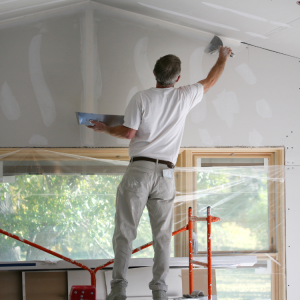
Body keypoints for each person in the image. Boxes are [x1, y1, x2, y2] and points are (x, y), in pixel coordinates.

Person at [88, 46, 232, 300]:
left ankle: (119, 290)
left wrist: (104, 128)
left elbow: (128, 133)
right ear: (177, 79)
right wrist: (222, 57)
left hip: (139, 171)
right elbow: (211, 80)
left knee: (125, 232)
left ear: (154, 72)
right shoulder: (185, 95)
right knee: (162, 237)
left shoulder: (141, 98)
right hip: (166, 174)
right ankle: (160, 292)